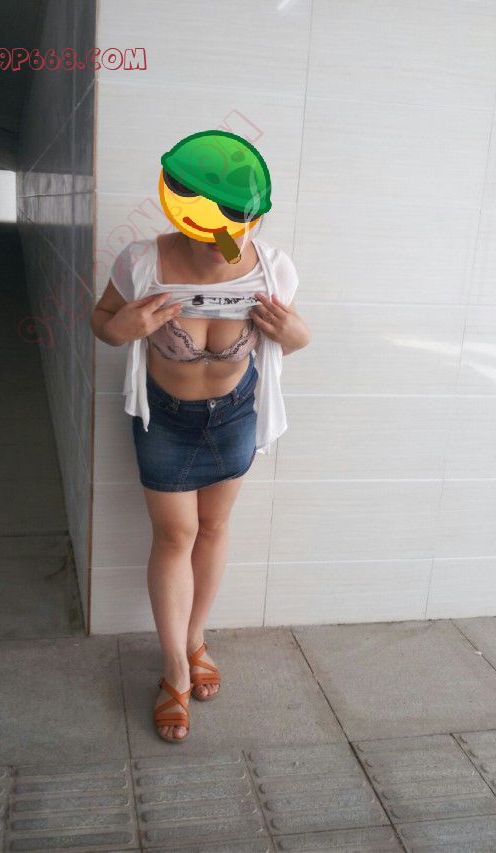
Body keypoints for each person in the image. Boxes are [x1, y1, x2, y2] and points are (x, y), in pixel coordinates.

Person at [91, 225, 311, 743]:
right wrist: (124, 327)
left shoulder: (271, 267)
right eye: (210, 221)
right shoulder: (144, 261)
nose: (223, 235)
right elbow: (103, 324)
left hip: (235, 416)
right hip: (166, 420)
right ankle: (175, 669)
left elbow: (292, 340)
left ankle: (194, 639)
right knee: (175, 535)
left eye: (238, 221)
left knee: (212, 527)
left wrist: (295, 334)